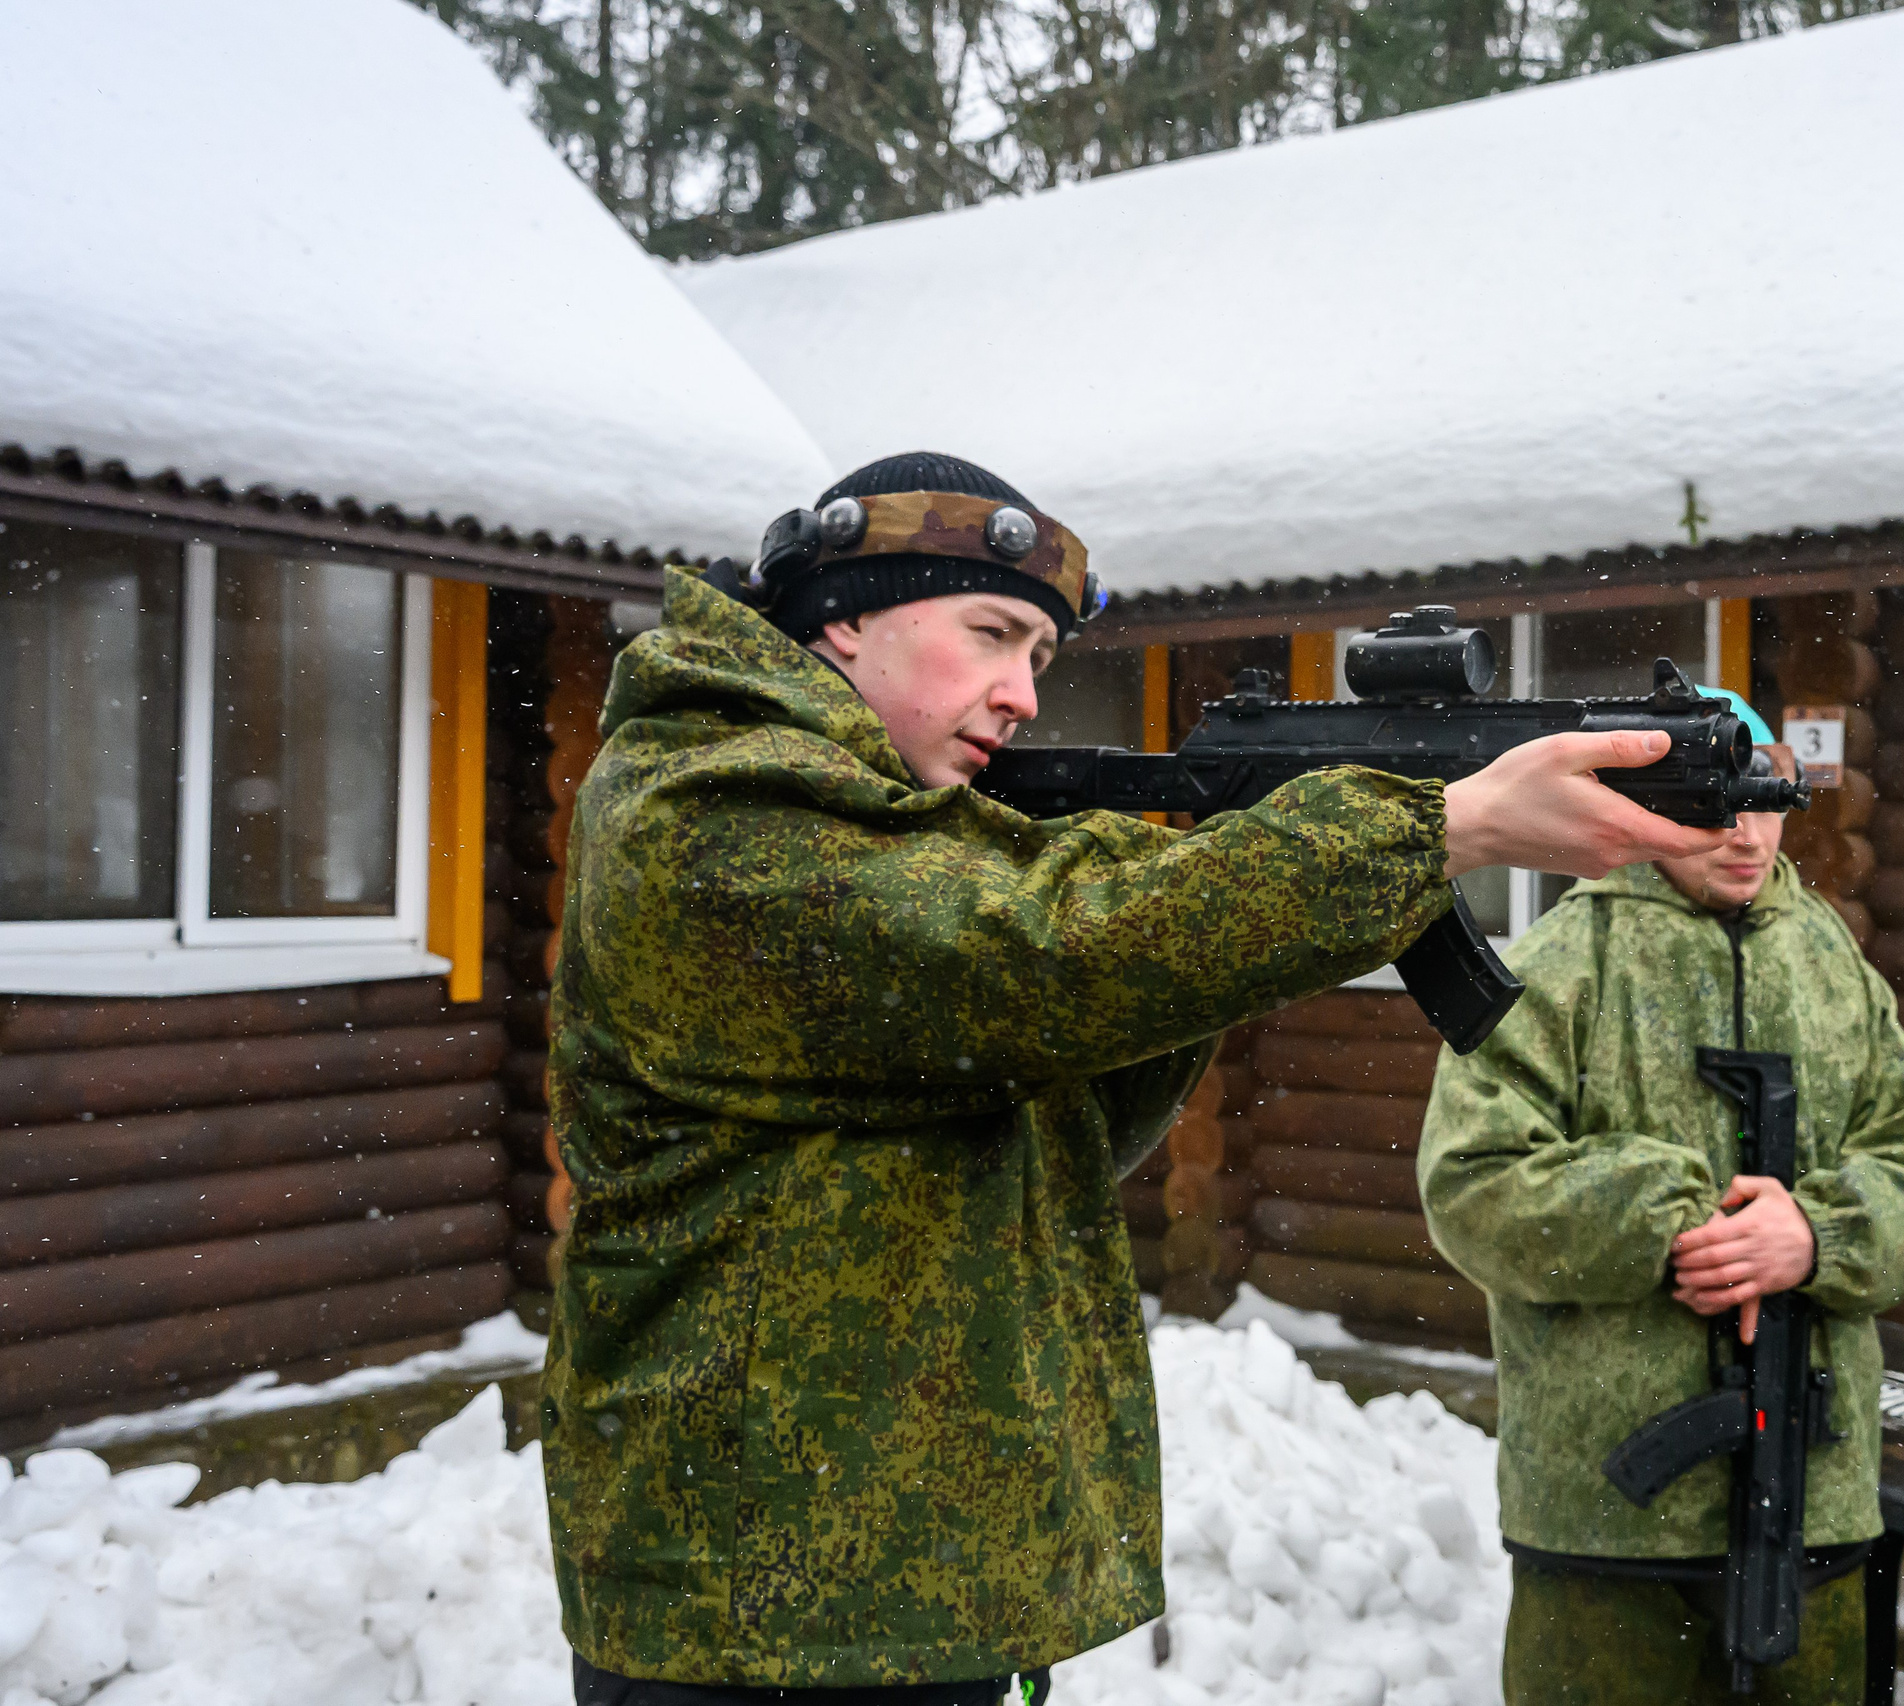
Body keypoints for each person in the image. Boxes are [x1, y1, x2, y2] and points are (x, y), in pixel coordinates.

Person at [540, 451, 1732, 1706]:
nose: (1018, 695)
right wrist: (1430, 827)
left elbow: (1062, 1091)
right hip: (751, 1604)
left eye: (1041, 660)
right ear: (840, 618)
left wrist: (1241, 895)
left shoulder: (897, 826)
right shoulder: (703, 805)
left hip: (891, 1581)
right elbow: (1032, 956)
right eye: (991, 635)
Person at [1417, 714, 1904, 1706]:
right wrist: (1675, 1216)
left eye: (1766, 805)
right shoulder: (1558, 963)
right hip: (1600, 1519)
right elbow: (1474, 1181)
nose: (1747, 835)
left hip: (1817, 1502)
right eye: (1717, 807)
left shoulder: (1830, 963)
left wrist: (1813, 1232)